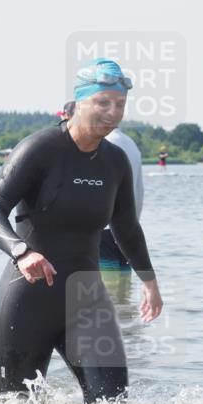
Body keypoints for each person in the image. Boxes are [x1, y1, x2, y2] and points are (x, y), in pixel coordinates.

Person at [0, 58, 163, 404]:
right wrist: (21, 251)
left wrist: (149, 281)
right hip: (28, 297)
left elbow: (126, 227)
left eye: (120, 105)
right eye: (102, 102)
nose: (112, 112)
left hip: (87, 298)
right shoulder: (41, 149)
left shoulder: (114, 161)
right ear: (80, 102)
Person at [58, 101, 145, 274]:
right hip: (127, 231)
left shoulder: (101, 146)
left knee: (106, 288)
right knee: (122, 290)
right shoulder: (130, 144)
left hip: (103, 231)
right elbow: (138, 190)